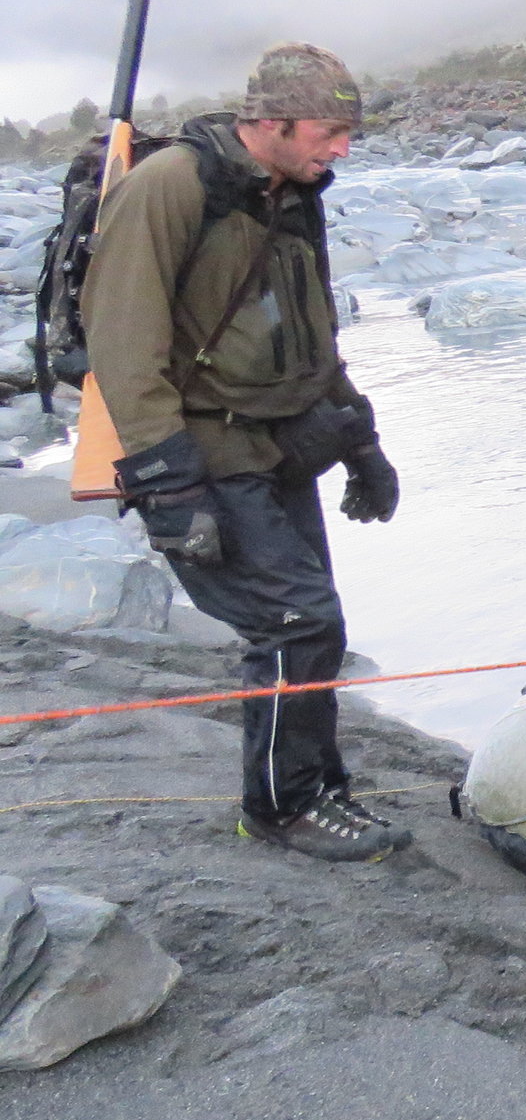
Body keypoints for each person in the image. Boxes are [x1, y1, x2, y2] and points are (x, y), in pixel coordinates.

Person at [82, 44, 407, 861]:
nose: (341, 149)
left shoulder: (292, 193)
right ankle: (279, 808)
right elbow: (123, 343)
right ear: (271, 120)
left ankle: (320, 784)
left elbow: (316, 332)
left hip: (281, 443)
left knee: (314, 618)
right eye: (330, 131)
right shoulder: (172, 187)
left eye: (348, 134)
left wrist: (362, 441)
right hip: (205, 446)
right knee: (295, 620)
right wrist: (168, 483)